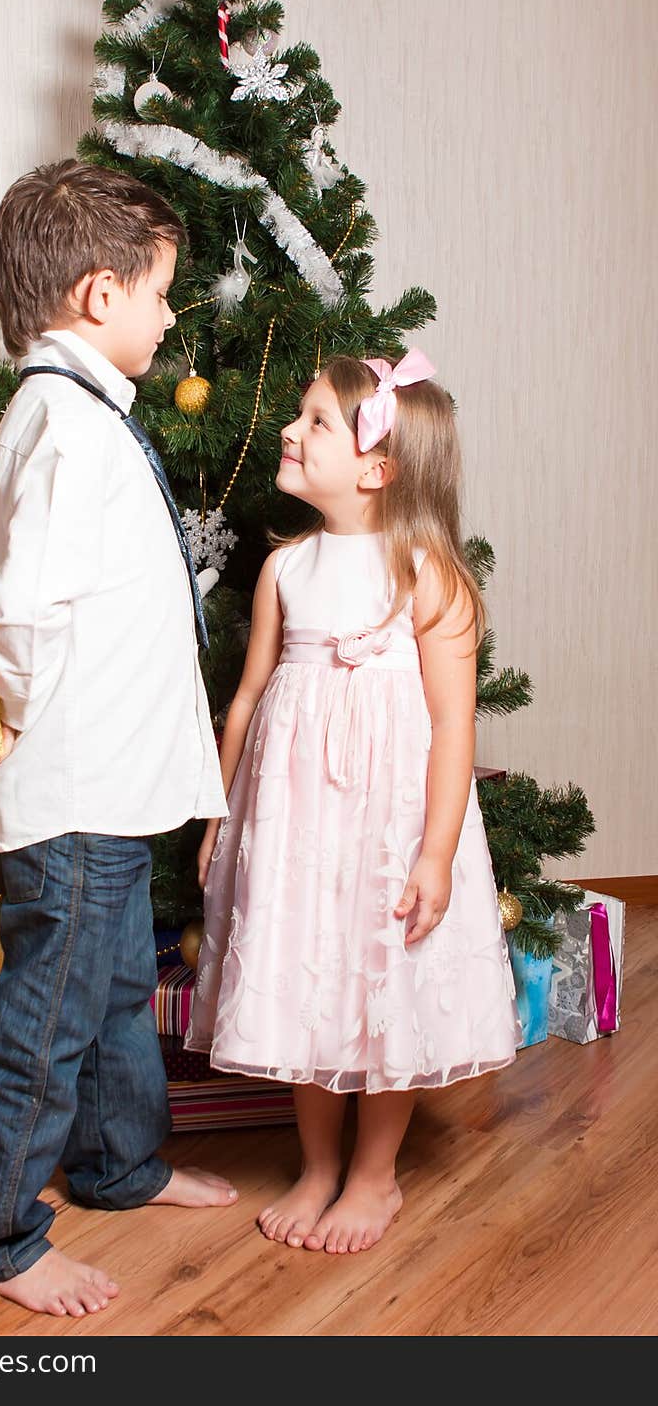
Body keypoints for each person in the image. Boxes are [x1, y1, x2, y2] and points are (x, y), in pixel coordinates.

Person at [0, 159, 236, 1319]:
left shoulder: (79, 415)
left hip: (110, 785)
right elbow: (17, 616)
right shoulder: (62, 423)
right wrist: (21, 714)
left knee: (115, 987)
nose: (170, 315)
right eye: (163, 291)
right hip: (70, 785)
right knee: (50, 1012)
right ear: (100, 295)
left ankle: (120, 1164)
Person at [186, 350, 521, 1256]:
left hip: (391, 823)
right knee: (309, 972)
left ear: (376, 469)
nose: (290, 432)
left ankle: (375, 1175)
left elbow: (453, 728)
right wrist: (218, 816)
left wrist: (437, 853)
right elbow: (249, 700)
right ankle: (318, 1165)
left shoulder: (430, 577)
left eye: (316, 422)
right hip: (297, 822)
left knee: (384, 980)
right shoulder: (285, 571)